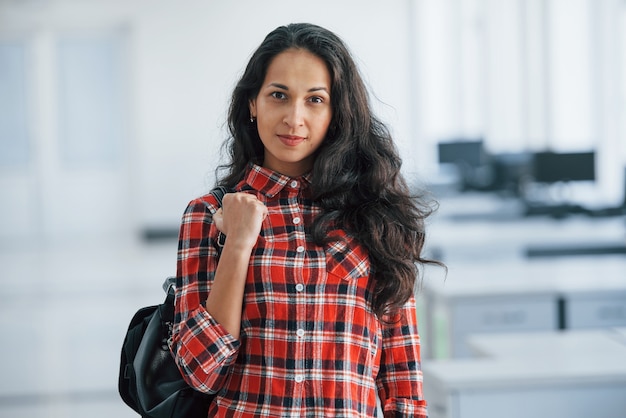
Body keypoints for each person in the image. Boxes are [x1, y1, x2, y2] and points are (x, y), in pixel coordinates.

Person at [171, 22, 440, 417]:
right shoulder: (208, 215)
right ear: (252, 103)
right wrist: (239, 243)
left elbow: (403, 384)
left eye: (314, 100)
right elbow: (199, 372)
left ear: (336, 111)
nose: (294, 118)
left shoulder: (376, 214)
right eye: (278, 95)